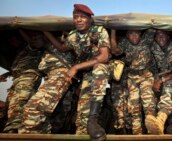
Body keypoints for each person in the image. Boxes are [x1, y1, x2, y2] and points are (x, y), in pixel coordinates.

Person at [41, 4, 111, 141]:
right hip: (86, 75)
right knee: (82, 112)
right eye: (75, 17)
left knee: (99, 69)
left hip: (102, 68)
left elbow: (104, 57)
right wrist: (45, 31)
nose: (78, 20)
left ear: (90, 19)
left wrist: (76, 67)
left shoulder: (99, 31)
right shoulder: (72, 36)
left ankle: (93, 120)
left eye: (82, 17)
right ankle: (85, 127)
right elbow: (62, 47)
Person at [19, 32, 75, 134]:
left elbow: (63, 46)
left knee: (33, 109)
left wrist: (44, 30)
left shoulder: (61, 41)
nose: (33, 39)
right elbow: (30, 41)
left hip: (60, 75)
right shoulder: (45, 48)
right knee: (54, 118)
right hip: (53, 77)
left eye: (36, 36)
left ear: (45, 36)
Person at [110, 29, 156, 134]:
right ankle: (137, 134)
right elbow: (114, 51)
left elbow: (154, 24)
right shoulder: (125, 43)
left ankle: (153, 133)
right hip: (132, 78)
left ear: (141, 34)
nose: (134, 36)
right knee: (134, 109)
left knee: (149, 106)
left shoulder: (146, 39)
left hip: (146, 76)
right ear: (127, 36)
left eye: (137, 33)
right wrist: (113, 31)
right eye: (131, 33)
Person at [3, 29, 46, 133]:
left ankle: (14, 130)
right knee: (10, 105)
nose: (12, 42)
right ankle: (11, 128)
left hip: (27, 77)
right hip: (18, 78)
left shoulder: (31, 47)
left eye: (14, 40)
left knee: (19, 102)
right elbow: (19, 66)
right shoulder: (20, 51)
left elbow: (31, 42)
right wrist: (7, 73)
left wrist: (19, 27)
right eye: (10, 41)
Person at [145, 30, 172, 134]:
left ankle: (161, 119)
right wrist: (155, 81)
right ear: (154, 38)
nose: (161, 37)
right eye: (158, 35)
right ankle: (153, 126)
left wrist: (161, 80)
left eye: (163, 35)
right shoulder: (153, 49)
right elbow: (152, 68)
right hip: (161, 82)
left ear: (168, 37)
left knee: (168, 86)